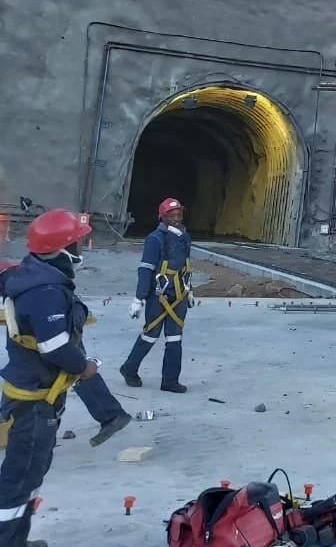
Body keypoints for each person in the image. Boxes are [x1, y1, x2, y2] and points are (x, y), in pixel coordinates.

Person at [0, 209, 114, 547]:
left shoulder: (31, 275)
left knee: (30, 474)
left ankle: (16, 539)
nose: (80, 249)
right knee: (19, 479)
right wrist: (84, 367)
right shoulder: (46, 290)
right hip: (35, 403)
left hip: (35, 396)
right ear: (62, 250)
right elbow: (55, 346)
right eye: (77, 243)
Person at [0, 261, 130, 448]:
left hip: (60, 322)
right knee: (70, 366)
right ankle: (111, 414)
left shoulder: (24, 284)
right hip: (60, 319)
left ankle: (111, 415)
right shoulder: (28, 279)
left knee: (68, 367)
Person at [119, 197, 193, 393]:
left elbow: (185, 266)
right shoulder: (155, 239)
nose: (177, 217)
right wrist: (138, 299)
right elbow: (145, 269)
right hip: (157, 296)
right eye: (172, 214)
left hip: (178, 295)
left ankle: (170, 381)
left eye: (179, 213)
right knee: (151, 335)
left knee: (174, 338)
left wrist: (189, 289)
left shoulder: (184, 237)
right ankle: (129, 368)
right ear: (163, 217)